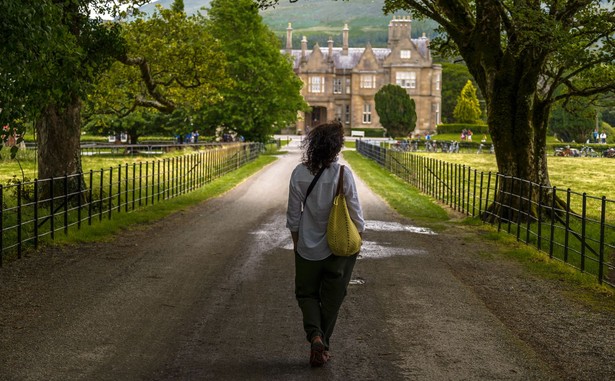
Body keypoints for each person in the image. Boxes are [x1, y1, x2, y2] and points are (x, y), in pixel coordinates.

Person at [286, 121, 365, 367]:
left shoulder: (299, 173)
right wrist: (358, 238)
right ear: (336, 147)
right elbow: (356, 215)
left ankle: (315, 336)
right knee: (333, 298)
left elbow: (293, 216)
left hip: (308, 248)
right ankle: (323, 343)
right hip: (339, 248)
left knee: (306, 294)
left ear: (313, 145)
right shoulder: (343, 173)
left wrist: (297, 244)